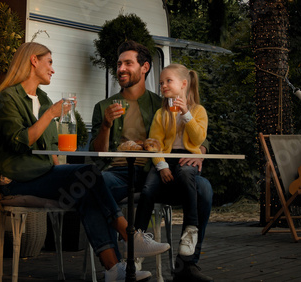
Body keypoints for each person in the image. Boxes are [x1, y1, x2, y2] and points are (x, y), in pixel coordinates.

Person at [0, 42, 166, 281]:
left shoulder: (41, 97)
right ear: (33, 61)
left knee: (85, 190)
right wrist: (52, 114)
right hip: (17, 178)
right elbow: (18, 142)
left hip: (43, 173)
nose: (52, 69)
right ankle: (130, 236)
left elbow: (51, 146)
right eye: (49, 62)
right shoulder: (8, 97)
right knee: (89, 174)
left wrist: (63, 169)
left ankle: (113, 270)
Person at [90, 41, 214, 282]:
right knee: (95, 184)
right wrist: (106, 124)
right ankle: (123, 263)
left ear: (145, 67)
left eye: (128, 63)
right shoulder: (104, 106)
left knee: (205, 190)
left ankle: (186, 265)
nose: (121, 69)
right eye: (119, 64)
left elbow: (202, 133)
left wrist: (201, 150)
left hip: (151, 170)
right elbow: (95, 152)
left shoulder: (162, 102)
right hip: (121, 172)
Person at [134, 64, 213, 282]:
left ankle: (190, 230)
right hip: (165, 161)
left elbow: (198, 139)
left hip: (186, 158)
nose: (163, 86)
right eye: (161, 83)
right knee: (148, 189)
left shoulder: (198, 111)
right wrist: (161, 165)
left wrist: (186, 113)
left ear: (184, 84)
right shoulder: (161, 113)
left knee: (189, 176)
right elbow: (154, 143)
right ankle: (137, 246)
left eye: (168, 81)